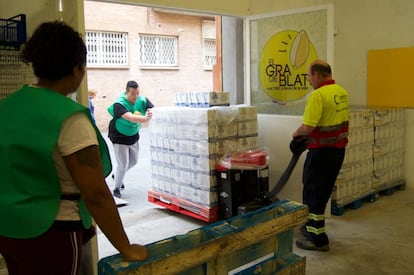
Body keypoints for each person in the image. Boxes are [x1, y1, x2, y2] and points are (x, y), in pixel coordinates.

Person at [0, 21, 147, 275]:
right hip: (51, 231)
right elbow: (96, 194)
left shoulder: (8, 106)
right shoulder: (69, 118)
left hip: (9, 227)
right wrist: (126, 247)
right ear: (77, 69)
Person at [292, 60, 349, 251]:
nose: (308, 81)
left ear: (316, 74)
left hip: (320, 155)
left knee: (312, 193)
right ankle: (312, 228)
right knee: (321, 193)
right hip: (337, 152)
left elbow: (308, 126)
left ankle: (317, 239)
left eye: (309, 76)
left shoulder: (318, 96)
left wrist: (296, 134)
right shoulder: (341, 92)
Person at [108, 80, 154, 198]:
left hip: (133, 135)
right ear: (126, 92)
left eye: (137, 93)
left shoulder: (142, 99)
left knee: (133, 161)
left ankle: (117, 175)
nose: (136, 96)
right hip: (119, 137)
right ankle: (116, 188)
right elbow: (130, 117)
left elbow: (152, 109)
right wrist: (145, 119)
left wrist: (152, 112)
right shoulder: (119, 104)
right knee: (123, 164)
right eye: (133, 94)